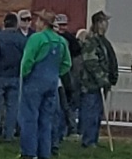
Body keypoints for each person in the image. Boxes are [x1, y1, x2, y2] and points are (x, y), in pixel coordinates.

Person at [18, 9, 71, 159]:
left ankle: (29, 152)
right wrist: (55, 74)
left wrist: (25, 75)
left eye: (38, 20)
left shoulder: (36, 38)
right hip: (52, 82)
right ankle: (44, 153)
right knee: (46, 120)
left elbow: (27, 61)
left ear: (43, 23)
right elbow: (67, 64)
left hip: (34, 82)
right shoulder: (61, 41)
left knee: (29, 118)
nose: (35, 23)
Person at [79, 11, 119, 149]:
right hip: (92, 84)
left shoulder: (103, 41)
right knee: (91, 113)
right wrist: (101, 78)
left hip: (102, 84)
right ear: (99, 23)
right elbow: (91, 62)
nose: (107, 24)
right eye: (104, 22)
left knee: (97, 114)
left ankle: (93, 140)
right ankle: (88, 140)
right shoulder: (91, 40)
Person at [0, 11, 27, 141]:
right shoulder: (23, 39)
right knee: (12, 107)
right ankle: (8, 134)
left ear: (4, 24)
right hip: (15, 75)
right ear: (16, 24)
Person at [54, 14, 81, 136]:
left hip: (65, 76)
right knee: (63, 104)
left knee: (65, 104)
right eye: (60, 25)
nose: (62, 28)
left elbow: (75, 60)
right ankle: (67, 129)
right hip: (58, 75)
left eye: (64, 25)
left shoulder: (70, 39)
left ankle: (69, 129)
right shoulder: (67, 39)